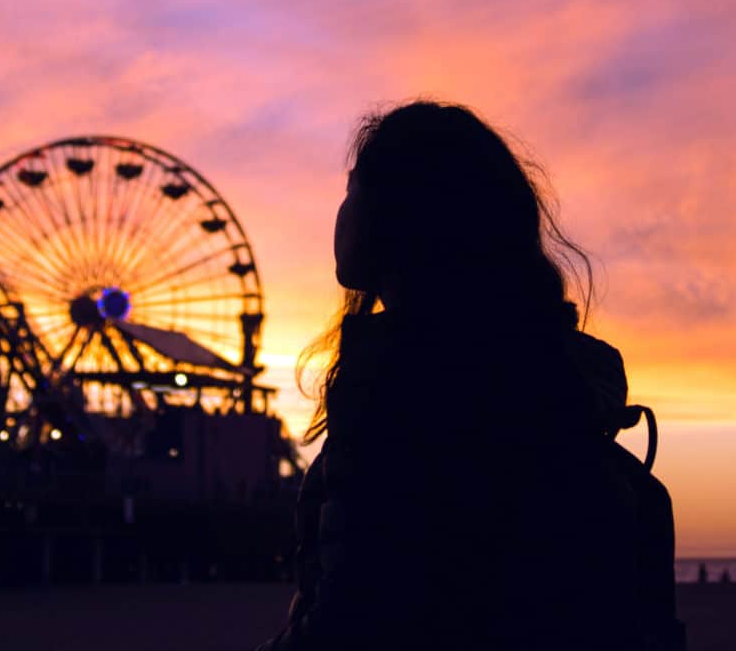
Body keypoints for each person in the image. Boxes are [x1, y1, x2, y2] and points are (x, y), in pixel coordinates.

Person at [255, 102, 667, 651]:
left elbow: (359, 615)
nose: (342, 209)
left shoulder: (399, 397)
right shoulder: (552, 387)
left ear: (399, 217)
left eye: (354, 188)